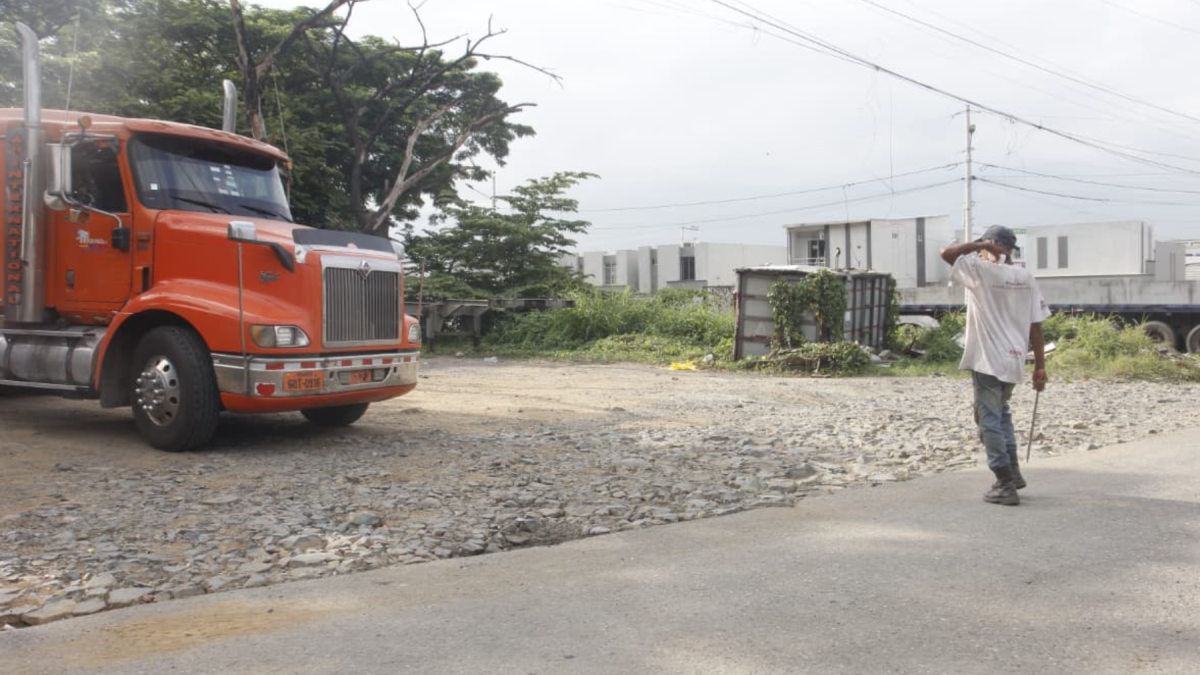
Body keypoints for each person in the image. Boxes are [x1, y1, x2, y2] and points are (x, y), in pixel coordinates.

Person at [940, 225, 1049, 506]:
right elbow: (1036, 327)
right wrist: (1040, 366)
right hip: (1014, 359)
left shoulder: (982, 272)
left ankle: (1004, 482)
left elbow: (946, 253)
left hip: (988, 359)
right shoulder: (1026, 277)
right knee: (1002, 416)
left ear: (992, 245)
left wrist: (979, 246)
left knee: (988, 418)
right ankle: (1013, 472)